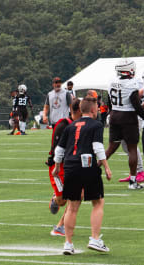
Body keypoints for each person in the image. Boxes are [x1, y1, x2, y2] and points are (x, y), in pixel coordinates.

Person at [52, 97, 112, 255]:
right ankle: (94, 239)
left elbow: (59, 149)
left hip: (70, 166)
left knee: (72, 207)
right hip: (88, 165)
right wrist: (106, 167)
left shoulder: (70, 126)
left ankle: (68, 244)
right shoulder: (96, 125)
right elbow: (97, 146)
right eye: (97, 108)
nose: (98, 110)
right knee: (98, 202)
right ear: (93, 110)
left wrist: (57, 166)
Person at [103, 58, 144, 190]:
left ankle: (90, 174)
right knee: (132, 149)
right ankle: (133, 181)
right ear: (129, 70)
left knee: (110, 148)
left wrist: (109, 113)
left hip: (114, 116)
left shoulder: (111, 81)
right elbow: (136, 104)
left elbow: (109, 101)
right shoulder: (133, 83)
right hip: (128, 118)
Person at [48, 99, 82, 237]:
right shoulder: (63, 125)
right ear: (79, 110)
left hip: (73, 166)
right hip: (59, 167)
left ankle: (60, 227)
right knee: (63, 200)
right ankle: (56, 199)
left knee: (77, 196)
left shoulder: (82, 124)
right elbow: (57, 149)